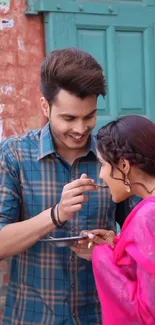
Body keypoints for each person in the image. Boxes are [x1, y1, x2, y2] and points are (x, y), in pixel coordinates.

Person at [0, 48, 138, 325]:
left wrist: (110, 246)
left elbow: (141, 236)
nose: (80, 128)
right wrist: (56, 214)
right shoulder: (13, 155)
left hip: (101, 314)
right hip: (32, 316)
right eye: (68, 118)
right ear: (44, 106)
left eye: (89, 116)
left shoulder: (112, 157)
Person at [89, 115, 155, 325]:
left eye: (103, 165)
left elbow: (147, 312)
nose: (101, 175)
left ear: (124, 165)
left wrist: (101, 255)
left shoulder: (147, 217)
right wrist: (118, 245)